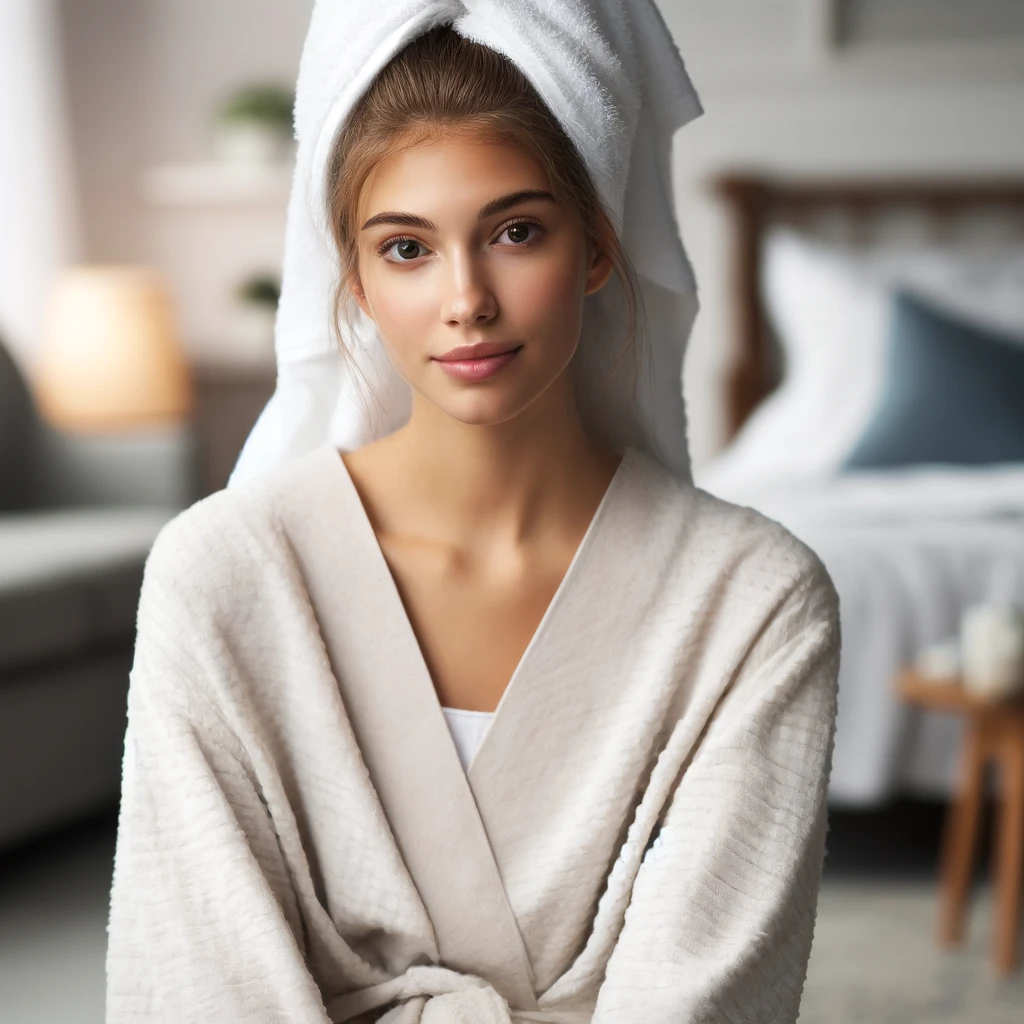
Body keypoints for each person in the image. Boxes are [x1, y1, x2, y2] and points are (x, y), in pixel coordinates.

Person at [105, 6, 841, 1024]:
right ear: (353, 279)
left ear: (594, 246)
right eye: (406, 248)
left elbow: (704, 996)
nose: (467, 300)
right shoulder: (221, 576)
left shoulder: (753, 600)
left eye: (515, 232)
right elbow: (196, 976)